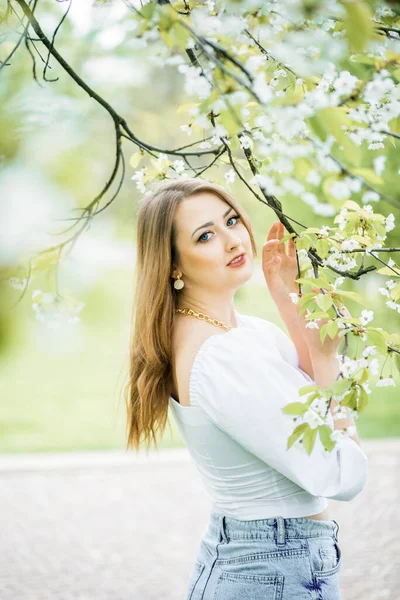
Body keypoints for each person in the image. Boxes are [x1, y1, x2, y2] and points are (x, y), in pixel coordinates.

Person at [125, 177, 368, 600]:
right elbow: (338, 474)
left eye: (231, 220)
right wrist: (329, 360)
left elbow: (304, 397)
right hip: (270, 569)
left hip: (270, 561)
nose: (233, 241)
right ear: (173, 265)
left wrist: (289, 304)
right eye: (205, 236)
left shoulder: (240, 333)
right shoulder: (221, 356)